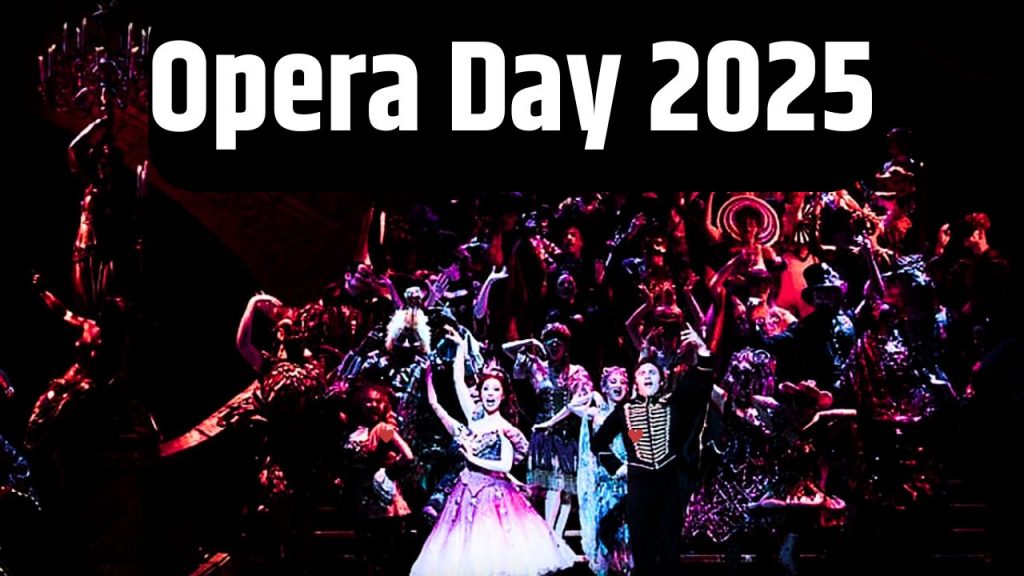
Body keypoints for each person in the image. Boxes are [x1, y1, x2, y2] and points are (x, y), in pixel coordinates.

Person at [411, 329, 576, 576]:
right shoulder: (474, 417)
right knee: (464, 554)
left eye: (495, 390)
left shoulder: (504, 428)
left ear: (503, 395)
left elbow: (505, 465)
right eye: (486, 389)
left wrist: (472, 458)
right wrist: (460, 348)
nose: (490, 394)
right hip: (466, 492)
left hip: (494, 495)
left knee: (495, 555)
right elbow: (458, 383)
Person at [591, 328, 713, 576]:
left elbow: (699, 387)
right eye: (642, 373)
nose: (647, 376)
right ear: (635, 381)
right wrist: (617, 466)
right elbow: (599, 442)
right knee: (642, 548)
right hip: (639, 484)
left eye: (652, 372)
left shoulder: (673, 404)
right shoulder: (624, 410)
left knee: (669, 549)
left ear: (661, 380)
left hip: (669, 483)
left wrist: (703, 352)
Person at [576, 366, 632, 575]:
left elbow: (637, 443)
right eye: (613, 382)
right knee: (605, 537)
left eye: (622, 382)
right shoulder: (594, 415)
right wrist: (593, 395)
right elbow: (588, 450)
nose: (618, 386)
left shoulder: (631, 415)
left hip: (627, 482)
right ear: (605, 387)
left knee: (627, 538)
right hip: (605, 484)